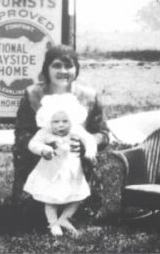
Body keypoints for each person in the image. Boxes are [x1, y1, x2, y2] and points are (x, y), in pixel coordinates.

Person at [11, 44, 110, 210]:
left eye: (69, 66)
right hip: (41, 163)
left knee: (81, 212)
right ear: (46, 69)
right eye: (56, 65)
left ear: (76, 69)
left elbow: (103, 134)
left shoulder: (88, 96)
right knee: (31, 215)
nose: (63, 71)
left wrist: (88, 143)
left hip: (76, 165)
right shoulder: (33, 94)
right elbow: (21, 133)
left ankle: (79, 203)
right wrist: (43, 145)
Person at [24, 93, 97, 236]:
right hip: (51, 171)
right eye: (56, 122)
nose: (61, 125)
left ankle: (64, 219)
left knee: (78, 197)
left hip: (72, 171)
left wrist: (89, 152)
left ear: (72, 120)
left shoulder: (76, 130)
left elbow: (89, 140)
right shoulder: (44, 132)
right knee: (50, 199)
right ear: (48, 122)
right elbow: (32, 144)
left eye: (65, 121)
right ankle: (53, 224)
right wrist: (43, 149)